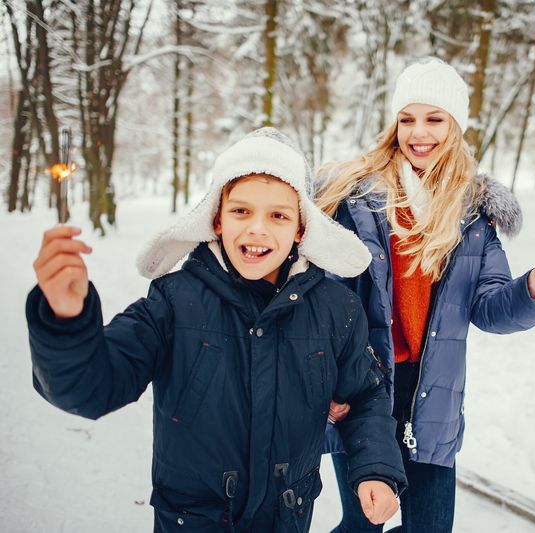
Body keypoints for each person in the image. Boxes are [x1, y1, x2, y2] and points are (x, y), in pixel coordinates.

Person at [26, 127, 407, 533]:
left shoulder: (335, 310)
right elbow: (90, 388)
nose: (258, 229)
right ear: (217, 219)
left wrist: (375, 470)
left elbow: (365, 396)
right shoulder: (173, 301)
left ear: (301, 228)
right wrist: (66, 320)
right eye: (241, 211)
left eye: (278, 215)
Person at [315, 58, 535, 533]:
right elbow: (324, 302)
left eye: (434, 119)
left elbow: (488, 307)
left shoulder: (474, 214)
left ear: (456, 126)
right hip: (362, 392)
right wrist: (326, 383)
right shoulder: (356, 201)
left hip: (433, 397)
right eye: (407, 119)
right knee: (362, 526)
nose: (418, 133)